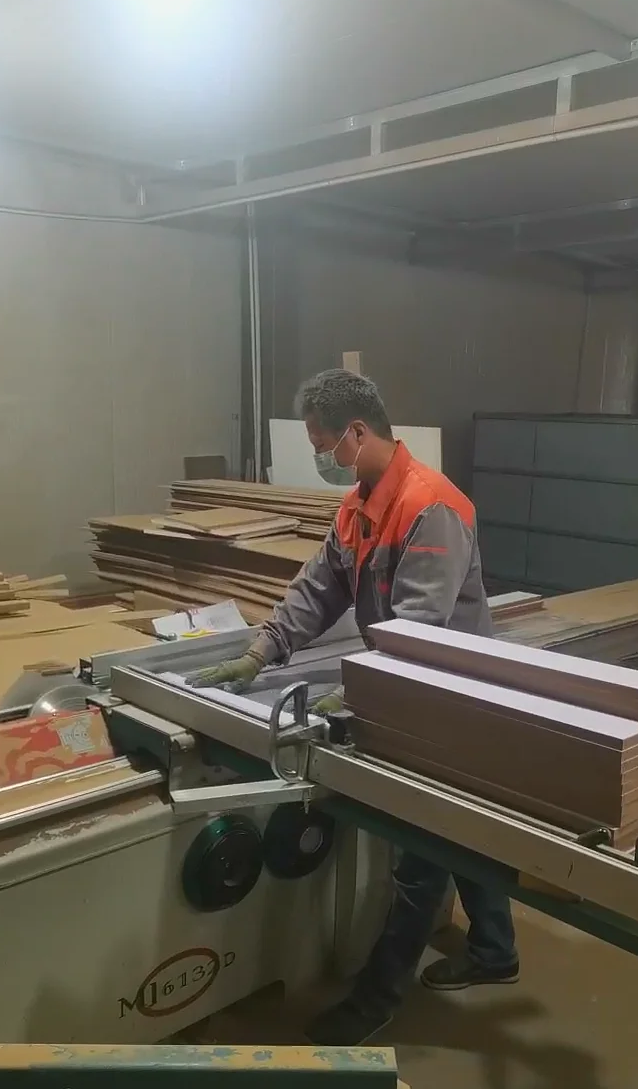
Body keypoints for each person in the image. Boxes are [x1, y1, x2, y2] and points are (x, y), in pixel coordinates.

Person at [191, 369, 518, 1046]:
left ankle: (376, 999)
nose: (321, 455)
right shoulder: (358, 508)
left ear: (359, 432)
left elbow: (419, 629)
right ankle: (496, 951)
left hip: (449, 695)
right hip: (402, 684)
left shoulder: (431, 507)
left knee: (421, 853)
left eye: (324, 443)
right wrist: (260, 652)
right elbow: (318, 590)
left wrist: (353, 694)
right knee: (462, 831)